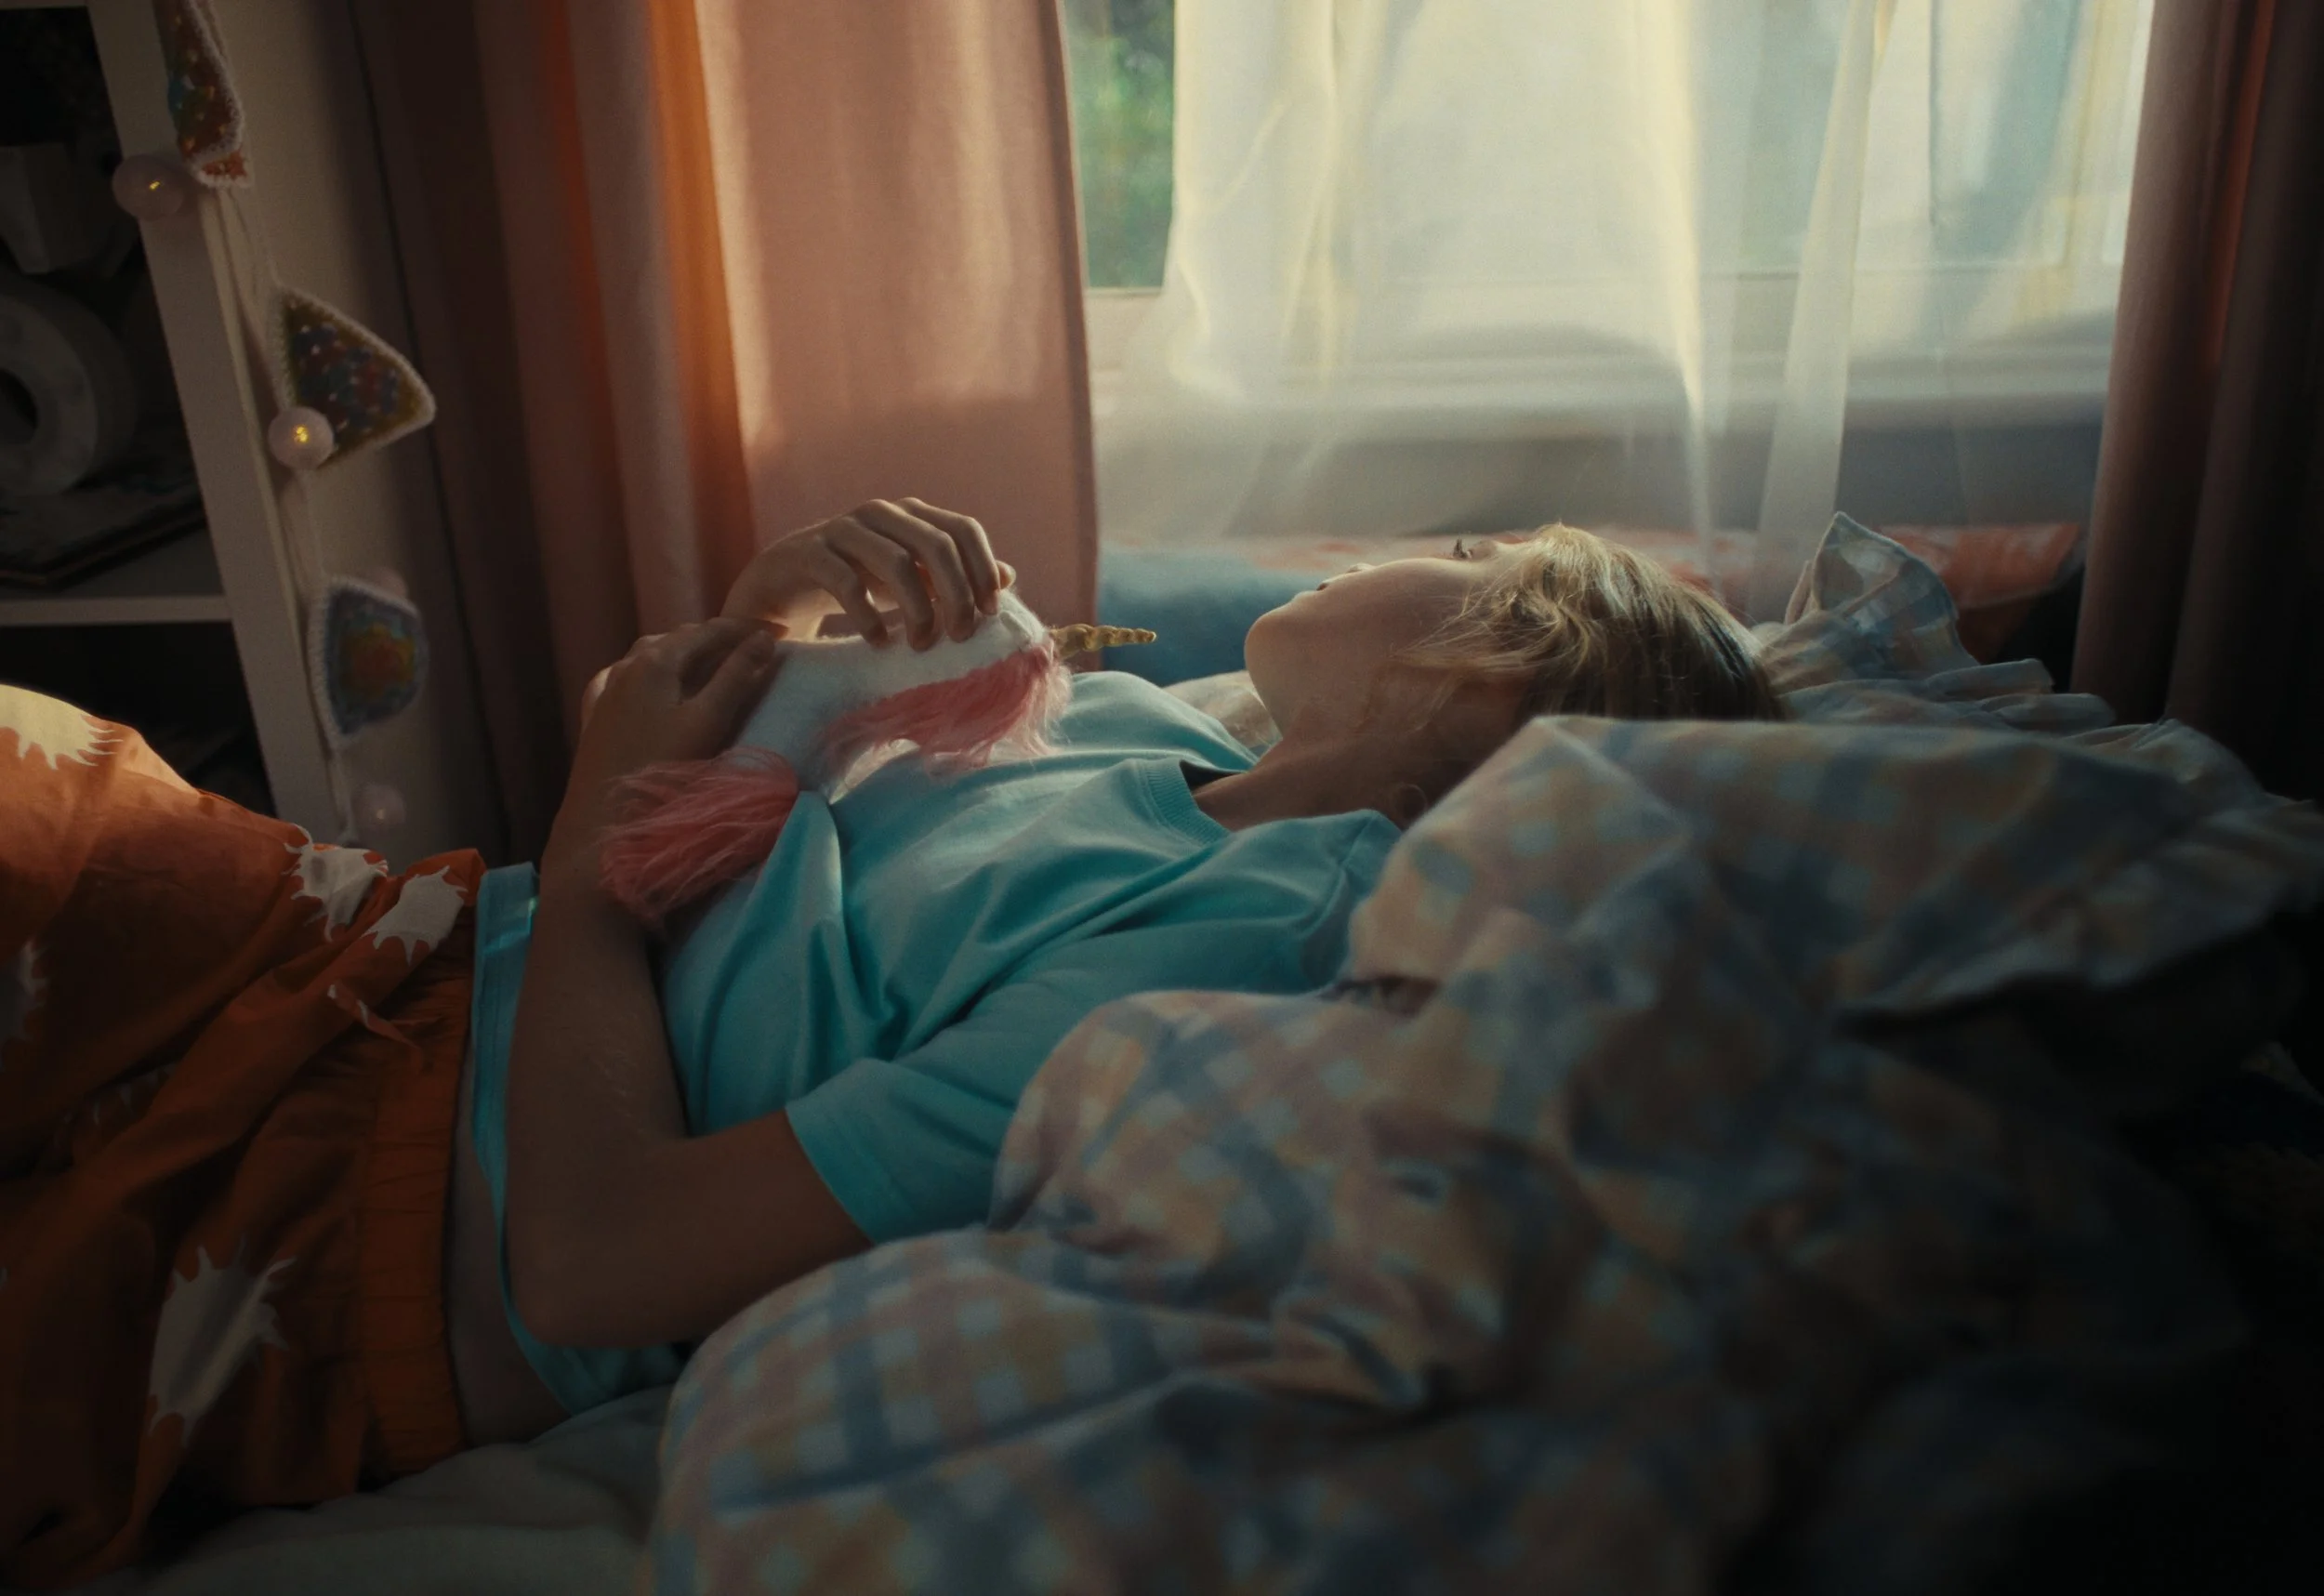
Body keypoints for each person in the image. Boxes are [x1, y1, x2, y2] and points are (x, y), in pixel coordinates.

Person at [0, 499, 1776, 1585]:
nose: (1394, 547)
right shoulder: (1134, 721)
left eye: (1461, 558)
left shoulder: (1240, 959)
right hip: (372, 943)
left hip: (352, 1216)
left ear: (1500, 670)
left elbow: (600, 1261)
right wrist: (773, 609)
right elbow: (715, 793)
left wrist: (595, 824)